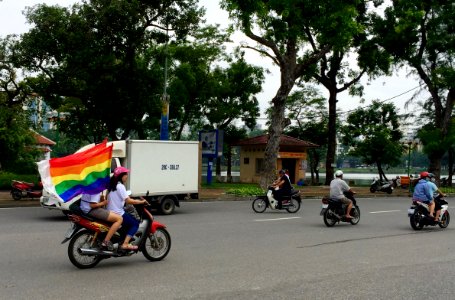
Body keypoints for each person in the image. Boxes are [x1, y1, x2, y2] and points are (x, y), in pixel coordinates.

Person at [107, 166, 148, 251]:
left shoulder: (113, 185)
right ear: (121, 176)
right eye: (125, 174)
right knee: (135, 223)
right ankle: (125, 244)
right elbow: (128, 201)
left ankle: (121, 240)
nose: (127, 176)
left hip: (110, 211)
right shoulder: (120, 186)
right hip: (117, 213)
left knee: (127, 221)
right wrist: (141, 202)